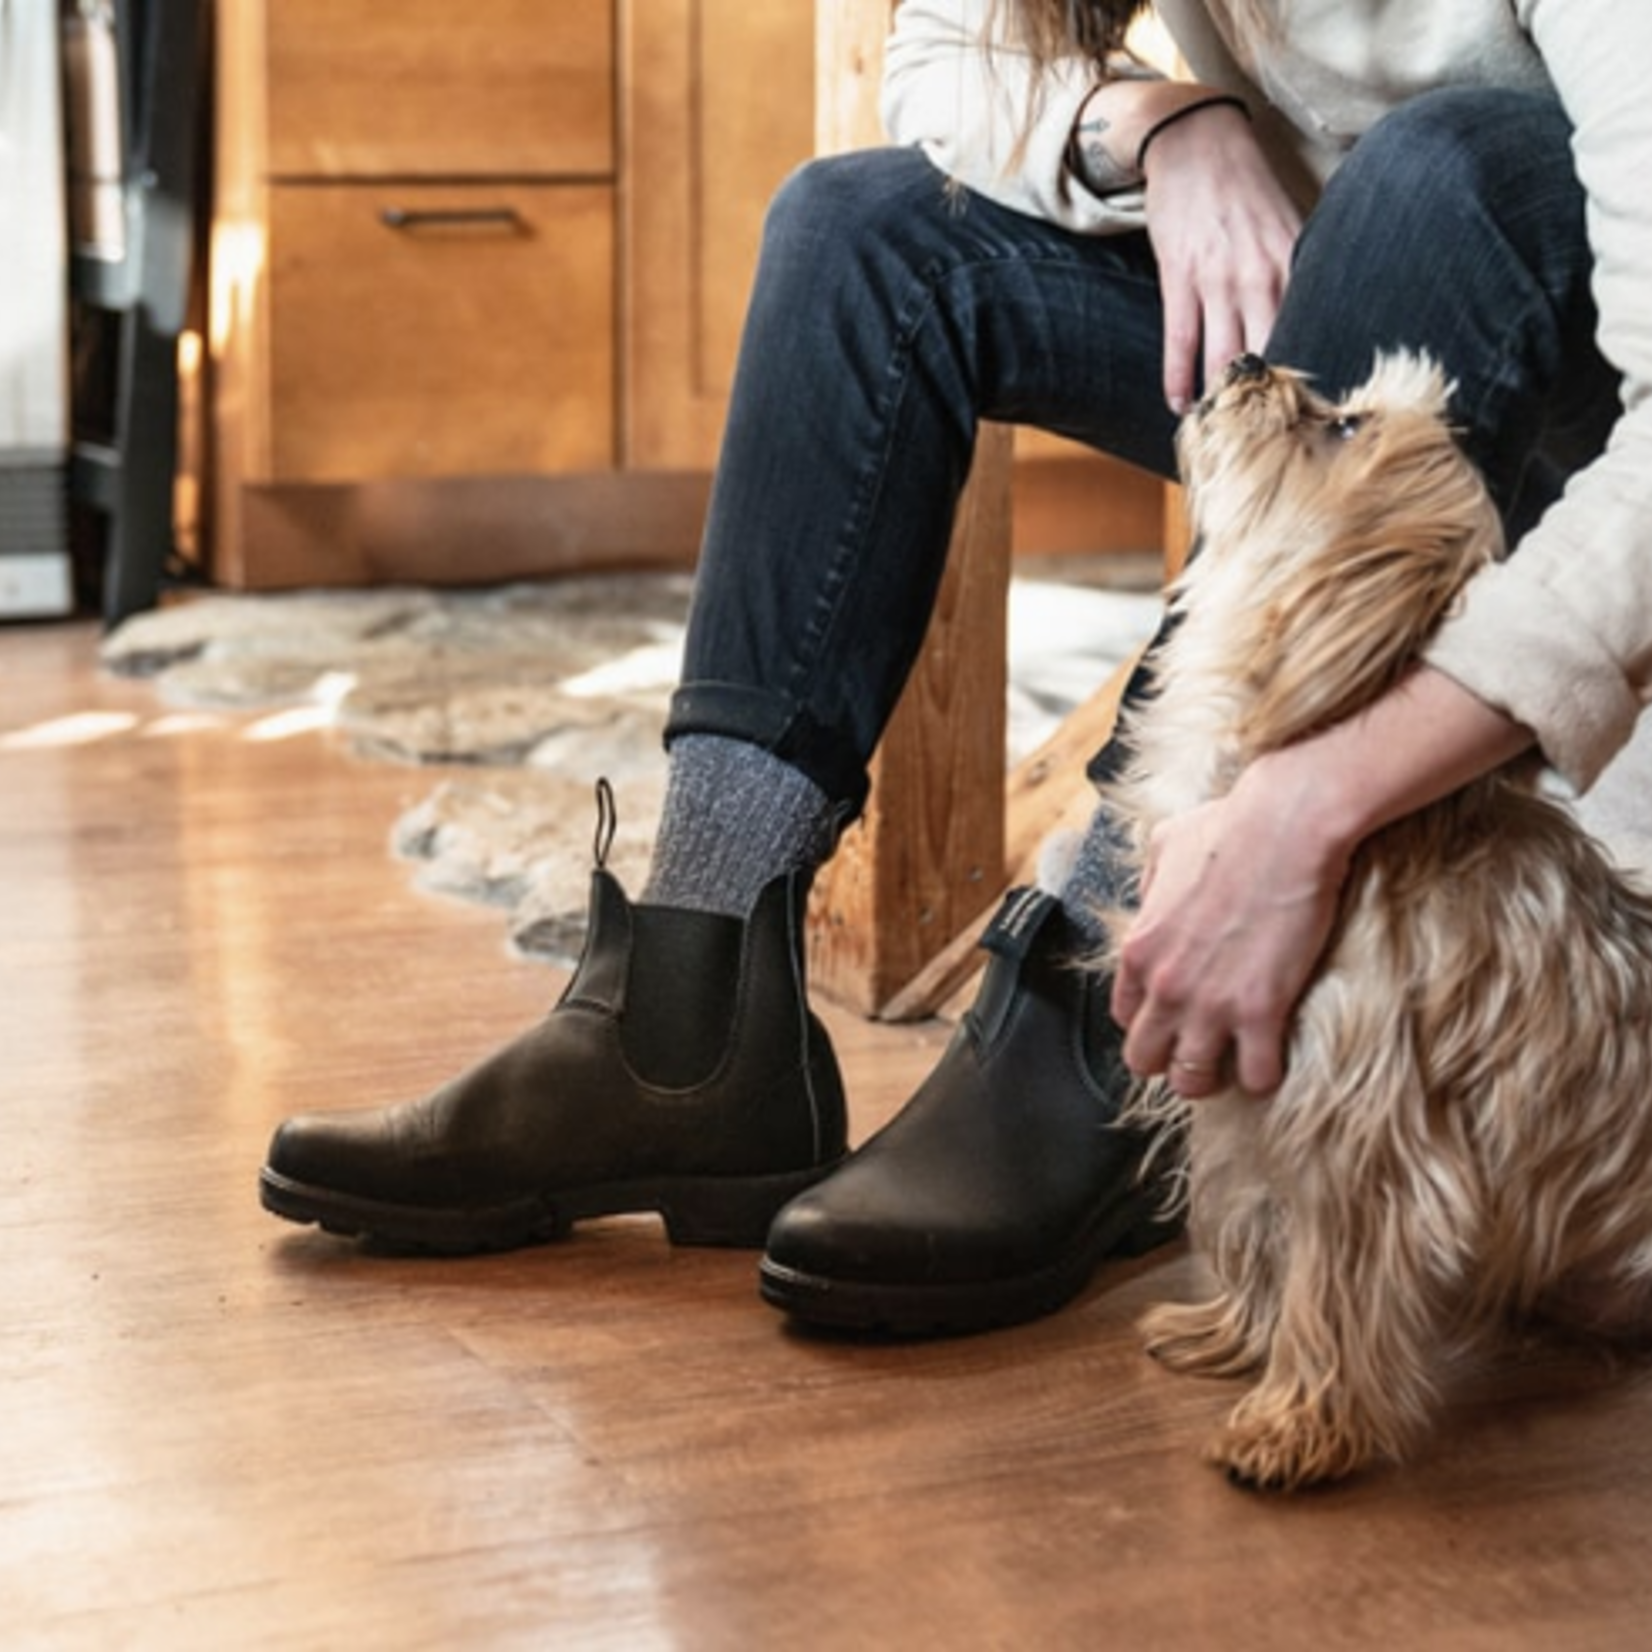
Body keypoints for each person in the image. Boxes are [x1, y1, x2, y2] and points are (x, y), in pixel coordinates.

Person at [260, 0, 1650, 1336]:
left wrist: (1307, 806)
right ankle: (687, 1018)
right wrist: (1169, 122)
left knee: (1446, 163)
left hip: (1539, 415)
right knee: (861, 231)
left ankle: (1110, 1007)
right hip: (1306, 370)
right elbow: (939, 63)